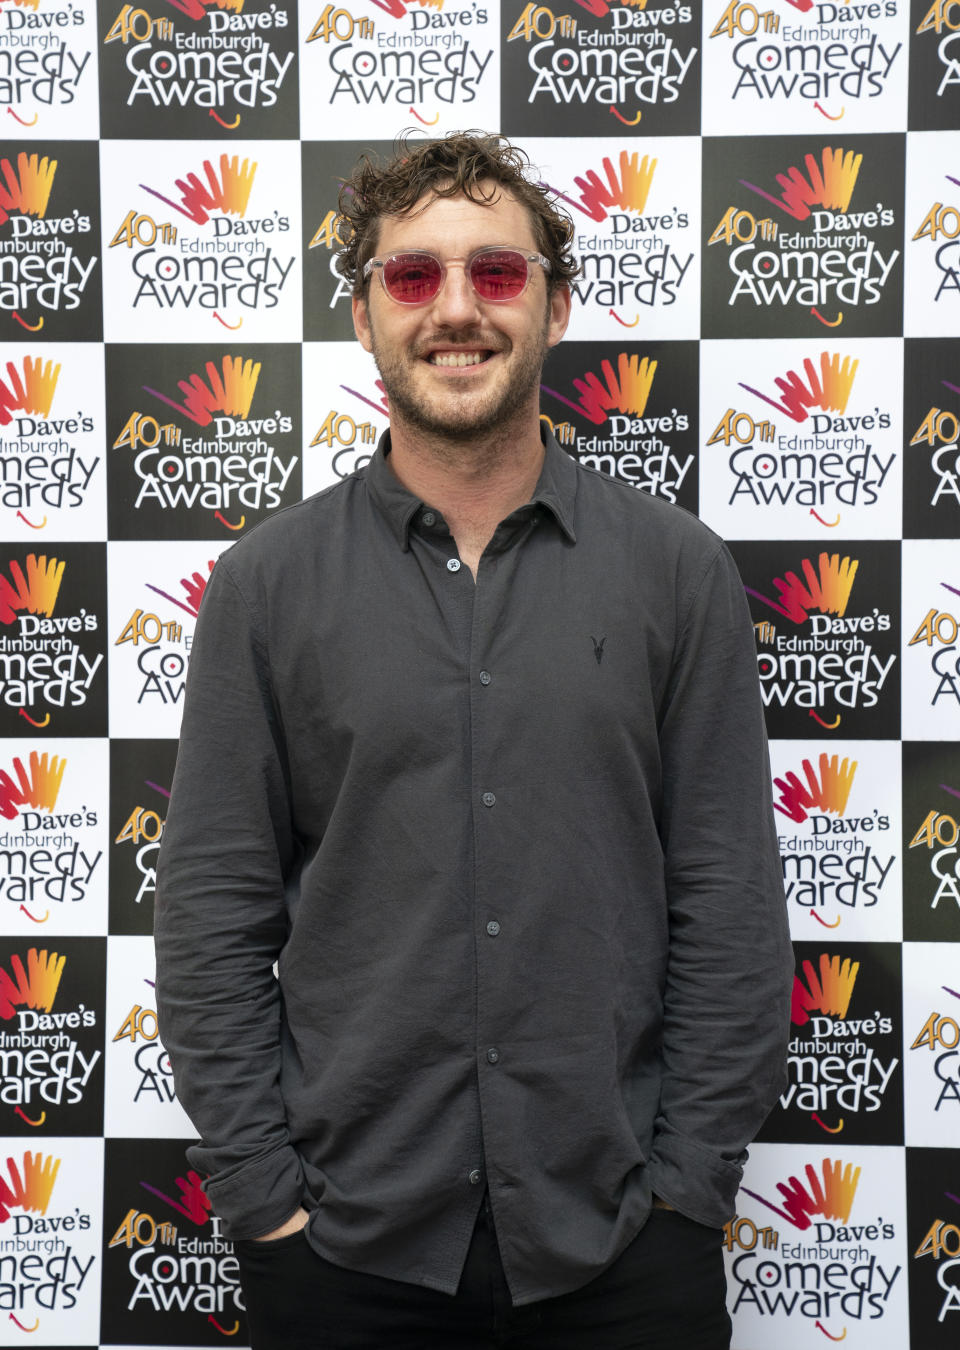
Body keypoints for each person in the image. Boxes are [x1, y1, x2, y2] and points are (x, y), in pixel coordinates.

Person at [155, 131, 793, 1350]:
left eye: (497, 274)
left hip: (623, 1251)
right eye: (413, 277)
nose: (457, 311)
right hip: (343, 1254)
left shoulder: (676, 572)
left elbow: (727, 903)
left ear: (555, 306)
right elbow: (212, 915)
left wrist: (687, 1192)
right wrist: (264, 1206)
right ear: (364, 315)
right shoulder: (266, 584)